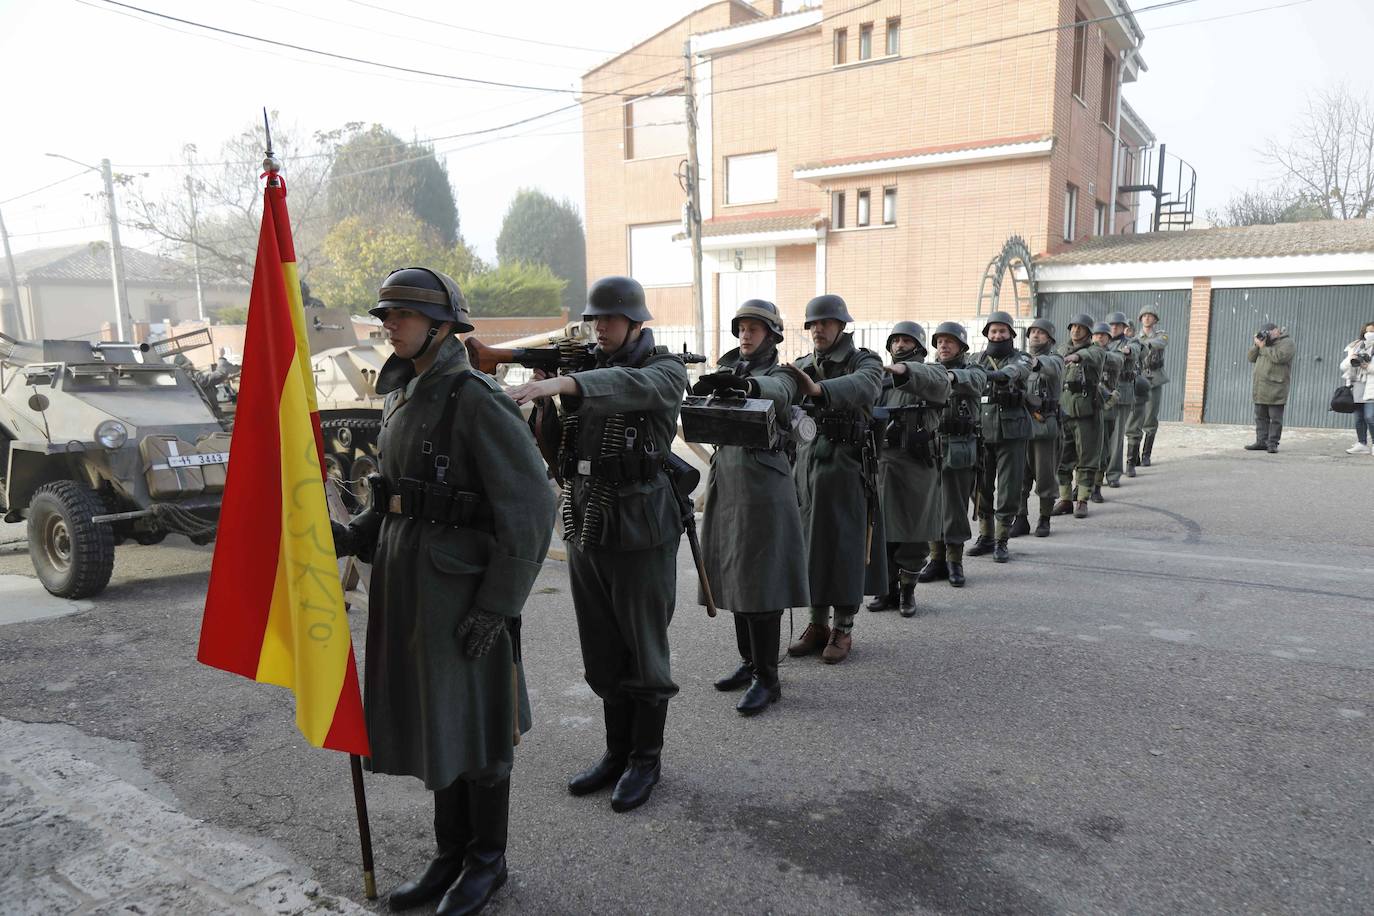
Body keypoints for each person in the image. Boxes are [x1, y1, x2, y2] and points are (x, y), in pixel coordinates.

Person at [331, 267, 554, 916]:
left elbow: (533, 506)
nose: (388, 325)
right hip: (409, 584)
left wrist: (498, 606)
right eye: (385, 316)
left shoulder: (474, 398)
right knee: (439, 722)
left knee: (479, 729)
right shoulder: (405, 393)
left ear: (442, 325)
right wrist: (355, 534)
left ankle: (487, 861)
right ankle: (450, 855)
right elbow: (396, 491)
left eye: (400, 315)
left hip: (463, 593)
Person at [508, 276, 687, 813]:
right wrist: (546, 398)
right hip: (588, 518)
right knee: (603, 646)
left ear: (636, 322)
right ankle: (616, 751)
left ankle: (646, 758)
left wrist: (563, 386)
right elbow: (555, 450)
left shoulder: (665, 370)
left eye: (609, 319)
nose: (600, 327)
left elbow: (631, 388)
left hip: (641, 524)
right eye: (595, 319)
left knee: (643, 646)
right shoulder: (582, 370)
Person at [692, 300, 809, 715]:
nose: (745, 334)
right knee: (734, 573)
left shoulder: (782, 373)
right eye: (741, 327)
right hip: (728, 482)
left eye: (754, 328)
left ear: (772, 335)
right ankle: (748, 662)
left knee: (762, 581)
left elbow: (781, 393)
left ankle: (768, 678)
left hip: (764, 485)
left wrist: (746, 388)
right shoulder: (726, 370)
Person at [784, 294, 884, 664]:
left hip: (846, 465)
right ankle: (817, 623)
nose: (818, 329)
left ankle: (843, 627)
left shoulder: (865, 360)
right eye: (813, 323)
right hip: (808, 466)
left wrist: (819, 389)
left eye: (825, 322)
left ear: (842, 325)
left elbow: (868, 385)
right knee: (811, 547)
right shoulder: (802, 364)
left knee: (844, 548)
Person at [867, 321, 951, 616]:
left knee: (914, 533)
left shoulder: (931, 374)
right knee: (884, 530)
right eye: (896, 341)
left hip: (917, 465)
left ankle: (908, 591)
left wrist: (907, 372)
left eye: (906, 341)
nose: (900, 345)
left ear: (918, 346)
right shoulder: (877, 378)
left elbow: (940, 382)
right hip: (883, 463)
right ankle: (887, 589)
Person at [920, 322, 986, 588]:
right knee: (932, 505)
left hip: (959, 446)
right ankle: (936, 559)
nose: (943, 346)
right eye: (939, 342)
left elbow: (977, 382)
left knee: (955, 507)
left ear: (961, 346)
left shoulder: (972, 369)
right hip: (930, 446)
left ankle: (954, 560)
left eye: (949, 341)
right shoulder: (928, 370)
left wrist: (951, 378)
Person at [969, 311, 1032, 562]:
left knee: (1008, 487)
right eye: (993, 331)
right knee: (981, 486)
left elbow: (1019, 371)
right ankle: (985, 535)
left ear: (1011, 334)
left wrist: (1001, 375)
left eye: (1002, 331)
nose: (998, 335)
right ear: (987, 334)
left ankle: (1002, 539)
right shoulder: (975, 359)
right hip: (982, 431)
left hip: (1012, 432)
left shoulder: (1022, 358)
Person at [1054, 314, 1106, 519]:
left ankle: (1082, 499)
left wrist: (1078, 356)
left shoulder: (1095, 350)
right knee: (1063, 457)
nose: (1075, 330)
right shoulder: (1060, 351)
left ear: (1088, 332)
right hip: (1064, 410)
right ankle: (1065, 499)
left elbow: (1094, 356)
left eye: (1080, 328)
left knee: (1086, 457)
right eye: (1073, 327)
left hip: (1086, 412)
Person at [1017, 318, 1064, 537]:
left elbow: (1051, 368)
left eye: (1041, 333)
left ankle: (1044, 518)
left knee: (1045, 476)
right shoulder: (1019, 360)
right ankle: (1020, 518)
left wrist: (1035, 363)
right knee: (1019, 476)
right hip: (1020, 426)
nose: (1035, 335)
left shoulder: (1055, 359)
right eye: (1032, 332)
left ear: (1050, 339)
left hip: (1044, 425)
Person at [1104, 311, 1144, 487]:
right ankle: (1095, 475)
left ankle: (1113, 475)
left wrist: (1127, 351)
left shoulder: (1131, 342)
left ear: (1123, 327)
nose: (1114, 328)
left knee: (1117, 437)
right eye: (1111, 325)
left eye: (1118, 325)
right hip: (1102, 393)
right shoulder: (1099, 342)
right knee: (1100, 437)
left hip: (1122, 393)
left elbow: (1135, 351)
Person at [1244, 322, 1296, 453]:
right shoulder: (1263, 344)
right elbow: (1250, 357)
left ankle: (1272, 443)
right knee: (1260, 417)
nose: (1267, 335)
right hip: (1260, 387)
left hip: (1276, 388)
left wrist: (1264, 347)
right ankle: (1261, 441)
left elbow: (1279, 357)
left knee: (1275, 419)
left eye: (1269, 332)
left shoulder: (1287, 343)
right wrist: (1257, 345)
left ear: (1276, 331)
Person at [1132, 306, 1169, 467]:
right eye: (1144, 316)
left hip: (1154, 380)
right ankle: (1134, 456)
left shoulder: (1161, 335)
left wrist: (1141, 343)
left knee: (1150, 418)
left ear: (1155, 319)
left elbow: (1160, 343)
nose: (1147, 318)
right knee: (1136, 418)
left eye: (1150, 316)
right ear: (1140, 319)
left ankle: (1146, 454)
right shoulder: (1134, 337)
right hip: (1138, 380)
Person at [1089, 322, 1122, 504]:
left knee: (1102, 450)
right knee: (1083, 450)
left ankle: (1097, 486)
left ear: (1109, 339)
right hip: (1086, 408)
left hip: (1106, 409)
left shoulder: (1114, 355)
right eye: (1096, 335)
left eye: (1103, 335)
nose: (1099, 338)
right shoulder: (1084, 353)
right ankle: (1082, 485)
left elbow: (1115, 360)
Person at [1341, 322, 1374, 455]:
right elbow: (1343, 366)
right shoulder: (1356, 346)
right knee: (1358, 417)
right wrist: (1351, 359)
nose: (1369, 334)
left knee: (1370, 416)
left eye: (1372, 331)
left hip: (1371, 386)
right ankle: (1362, 443)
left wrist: (1368, 367)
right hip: (1358, 385)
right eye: (1367, 331)